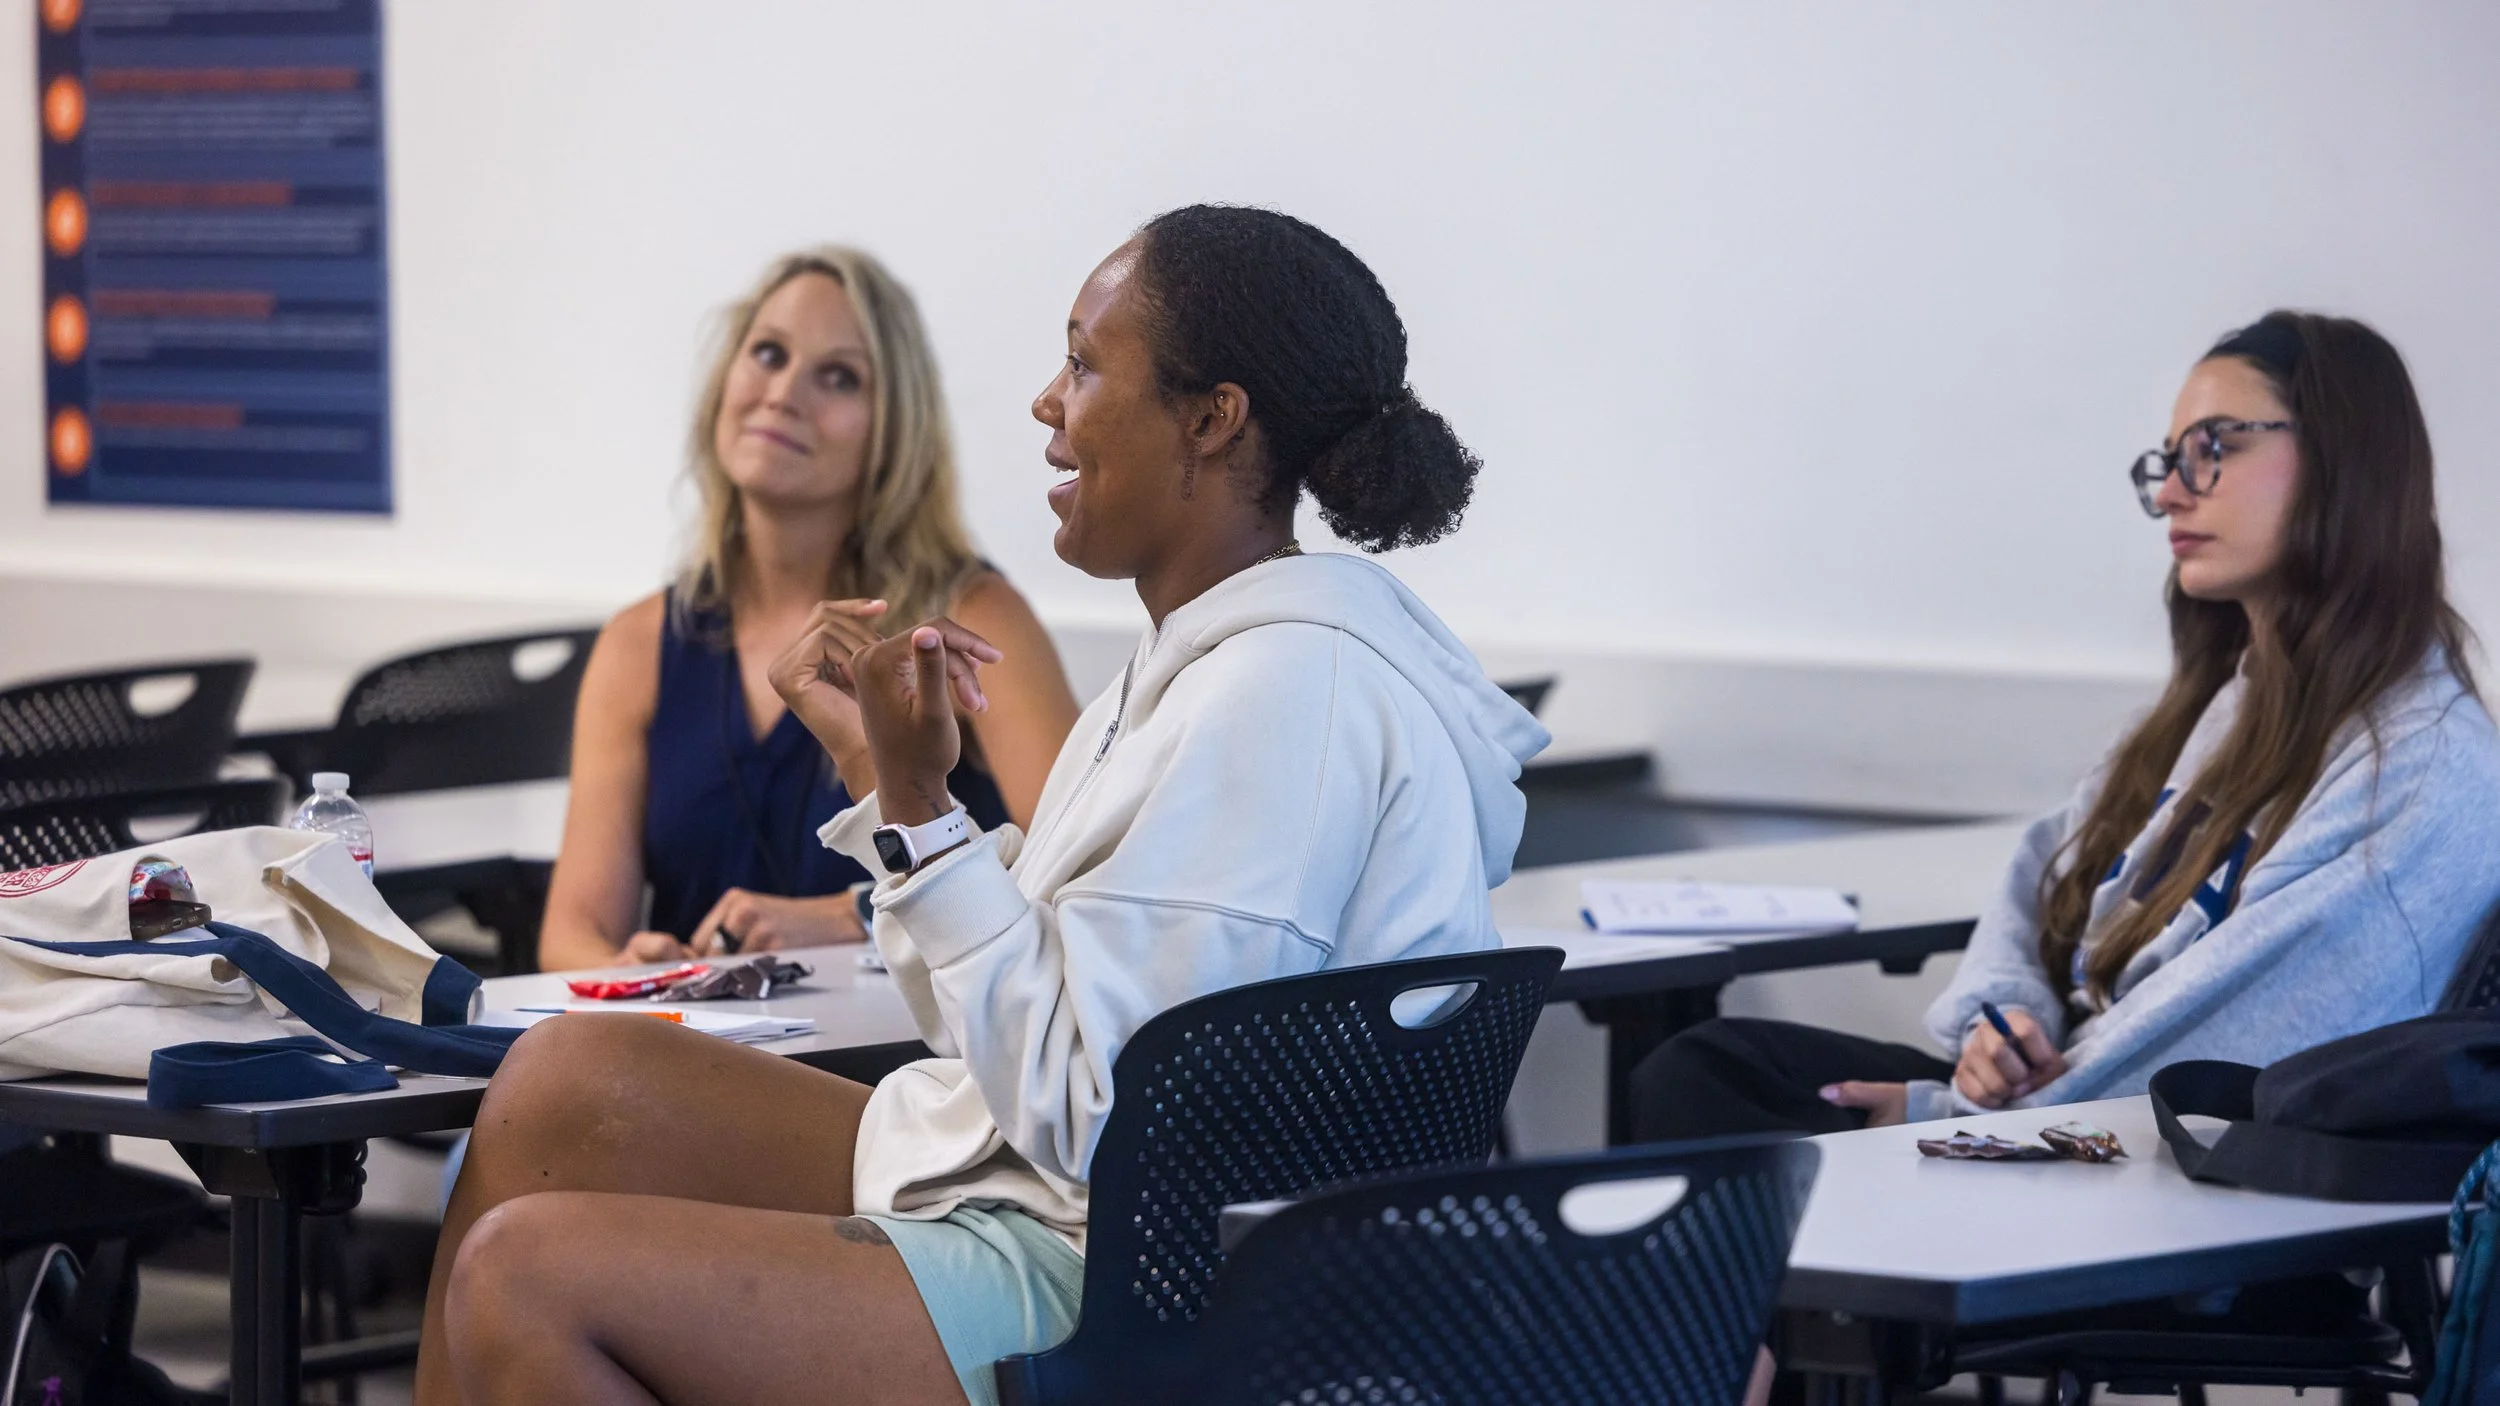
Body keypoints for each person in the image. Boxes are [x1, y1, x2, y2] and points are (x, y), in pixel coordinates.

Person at [412, 206, 1548, 1405]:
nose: (1047, 403)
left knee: (521, 1277)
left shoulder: (1279, 698)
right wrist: (882, 784)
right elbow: (1024, 1027)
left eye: (1083, 362)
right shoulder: (1207, 666)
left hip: (1123, 1275)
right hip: (1047, 1188)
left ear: (1210, 419)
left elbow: (1096, 1119)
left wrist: (919, 806)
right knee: (562, 1076)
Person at [1630, 310, 2500, 1144]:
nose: (2169, 492)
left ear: (2347, 463)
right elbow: (2052, 871)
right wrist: (2004, 1020)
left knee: (1726, 1126)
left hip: (2180, 1181)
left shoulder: (2421, 766)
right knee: (1706, 1070)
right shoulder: (2236, 692)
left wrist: (1954, 1124)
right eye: (2167, 459)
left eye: (2214, 449)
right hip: (2069, 1112)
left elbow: (2225, 1057)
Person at [536, 248, 1081, 971]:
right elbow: (569, 937)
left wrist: (850, 915)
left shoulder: (974, 617)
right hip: (703, 1055)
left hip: (905, 1063)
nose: (784, 393)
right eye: (767, 354)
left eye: (838, 377)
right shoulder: (639, 642)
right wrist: (637, 968)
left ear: (894, 427)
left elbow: (1071, 878)